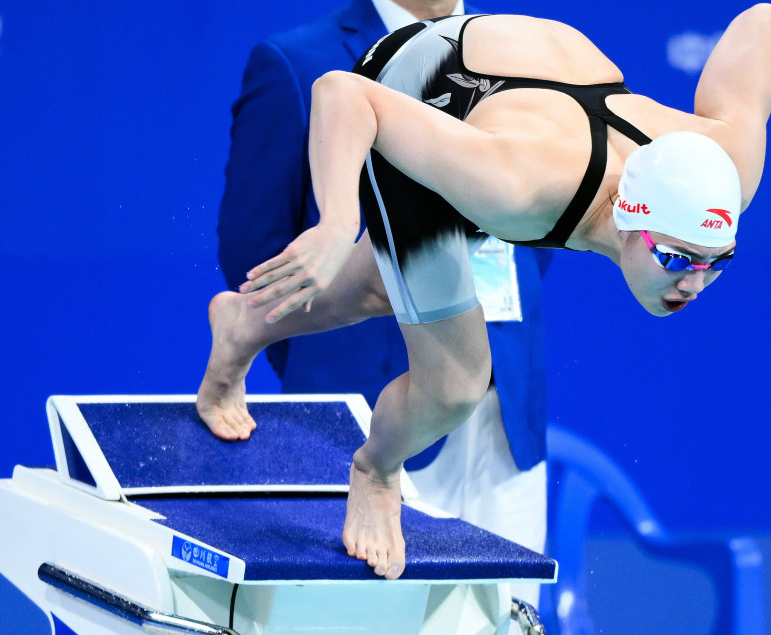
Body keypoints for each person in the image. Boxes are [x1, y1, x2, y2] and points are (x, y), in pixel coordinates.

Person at [198, 4, 771, 580]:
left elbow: (765, 26)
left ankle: (242, 327)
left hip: (529, 81)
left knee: (387, 287)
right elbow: (343, 94)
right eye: (678, 258)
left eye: (716, 261)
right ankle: (375, 470)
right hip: (407, 87)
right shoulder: (519, 187)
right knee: (458, 378)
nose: (694, 283)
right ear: (625, 217)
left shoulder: (727, 165)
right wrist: (338, 219)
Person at [210, 0, 550, 599]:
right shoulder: (295, 62)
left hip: (505, 423)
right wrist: (326, 364)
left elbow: (534, 227)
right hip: (367, 415)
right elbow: (254, 252)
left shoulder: (517, 53)